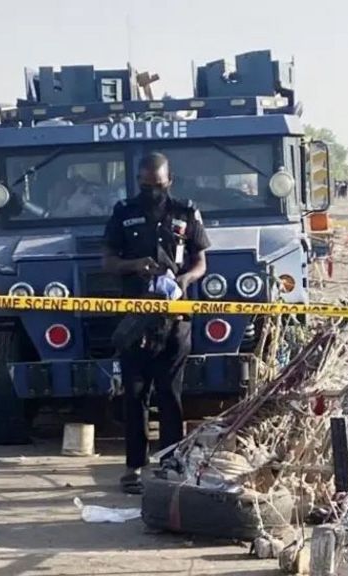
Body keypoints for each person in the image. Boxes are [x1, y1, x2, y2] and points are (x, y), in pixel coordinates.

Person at [103, 152, 210, 495]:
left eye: (159, 185)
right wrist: (134, 265)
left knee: (170, 393)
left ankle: (170, 462)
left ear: (170, 181)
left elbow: (201, 261)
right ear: (138, 182)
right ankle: (134, 467)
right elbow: (108, 261)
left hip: (174, 319)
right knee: (135, 395)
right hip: (136, 318)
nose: (153, 191)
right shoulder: (123, 213)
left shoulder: (186, 212)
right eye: (147, 185)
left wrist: (185, 280)